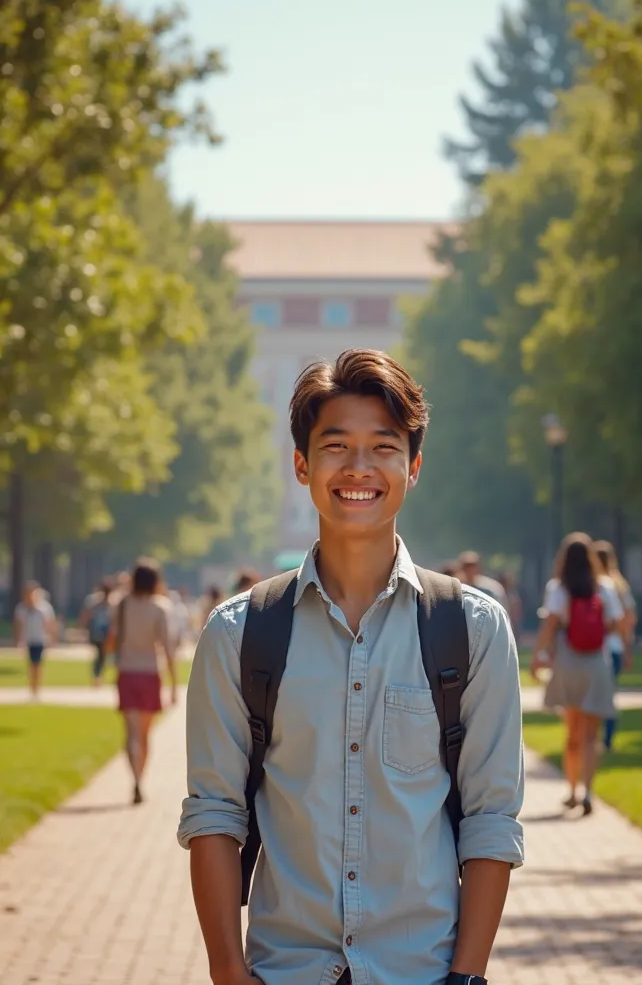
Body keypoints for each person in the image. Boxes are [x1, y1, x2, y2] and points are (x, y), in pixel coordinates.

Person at [179, 348, 524, 985]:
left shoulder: (472, 629)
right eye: (335, 446)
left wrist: (467, 977)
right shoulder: (239, 633)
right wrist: (227, 971)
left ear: (413, 466)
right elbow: (214, 813)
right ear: (302, 465)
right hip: (286, 970)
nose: (359, 468)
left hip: (423, 970)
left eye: (384, 447)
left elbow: (491, 819)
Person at [532, 533, 623, 815]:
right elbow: (617, 623)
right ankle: (588, 793)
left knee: (572, 731)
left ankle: (571, 790)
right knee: (591, 735)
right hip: (596, 662)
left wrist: (538, 655)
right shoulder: (604, 587)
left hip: (568, 660)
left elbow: (550, 624)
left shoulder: (559, 588)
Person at [105, 557, 177, 805]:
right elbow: (167, 648)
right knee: (145, 735)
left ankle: (133, 778)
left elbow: (112, 639)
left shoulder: (121, 604)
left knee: (130, 732)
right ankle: (140, 779)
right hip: (149, 673)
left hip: (126, 671)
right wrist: (175, 684)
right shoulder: (160, 607)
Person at [594, 541, 637, 751]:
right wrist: (628, 649)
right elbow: (628, 619)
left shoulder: (595, 584)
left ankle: (594, 738)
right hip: (616, 646)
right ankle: (607, 739)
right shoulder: (620, 585)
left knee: (593, 696)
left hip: (596, 646)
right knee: (609, 695)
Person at [13, 581, 57, 698]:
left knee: (38, 664)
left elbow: (50, 624)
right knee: (31, 664)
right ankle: (32, 687)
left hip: (40, 639)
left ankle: (36, 688)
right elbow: (18, 625)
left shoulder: (44, 608)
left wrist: (52, 638)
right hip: (28, 639)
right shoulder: (21, 608)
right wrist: (18, 639)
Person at [79, 577, 115, 687]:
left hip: (107, 631)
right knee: (100, 654)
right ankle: (97, 676)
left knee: (103, 655)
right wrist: (84, 627)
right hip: (98, 631)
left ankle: (99, 676)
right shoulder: (95, 601)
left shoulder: (112, 602)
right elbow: (87, 615)